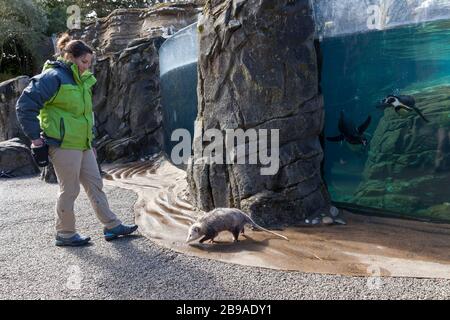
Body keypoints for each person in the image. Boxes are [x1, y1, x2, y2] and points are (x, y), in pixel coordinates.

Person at [15, 34, 138, 246]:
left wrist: (90, 143)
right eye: (83, 62)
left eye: (89, 63)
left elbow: (84, 116)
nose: (87, 67)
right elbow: (24, 105)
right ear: (70, 57)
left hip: (82, 144)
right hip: (62, 144)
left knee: (96, 184)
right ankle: (65, 234)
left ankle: (112, 226)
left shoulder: (82, 81)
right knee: (70, 190)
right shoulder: (52, 77)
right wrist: (36, 139)